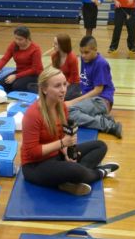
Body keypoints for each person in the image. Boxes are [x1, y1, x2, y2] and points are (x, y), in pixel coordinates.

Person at [21, 66, 119, 196]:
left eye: (64, 84)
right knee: (75, 170)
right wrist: (63, 143)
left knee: (100, 146)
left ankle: (68, 181)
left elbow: (61, 135)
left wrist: (66, 152)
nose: (63, 90)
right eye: (57, 86)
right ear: (44, 89)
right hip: (35, 166)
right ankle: (99, 173)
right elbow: (32, 152)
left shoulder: (62, 107)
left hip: (56, 156)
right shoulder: (32, 115)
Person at [66, 36, 122, 139]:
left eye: (86, 52)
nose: (83, 55)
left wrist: (73, 101)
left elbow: (98, 90)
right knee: (62, 103)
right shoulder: (85, 59)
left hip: (101, 100)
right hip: (89, 98)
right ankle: (101, 117)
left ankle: (109, 126)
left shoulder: (101, 63)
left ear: (95, 49)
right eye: (81, 52)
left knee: (68, 112)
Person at [0, 26, 43, 93]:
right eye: (16, 38)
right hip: (19, 71)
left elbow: (34, 70)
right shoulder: (14, 45)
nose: (17, 41)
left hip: (34, 75)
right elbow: (5, 59)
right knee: (1, 85)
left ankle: (36, 85)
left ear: (27, 38)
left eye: (20, 39)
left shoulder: (35, 49)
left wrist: (16, 76)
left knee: (16, 86)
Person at [51, 33, 81, 100]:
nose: (53, 45)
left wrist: (61, 87)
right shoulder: (54, 56)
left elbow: (73, 78)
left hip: (73, 83)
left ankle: (77, 94)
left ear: (62, 45)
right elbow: (54, 72)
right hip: (60, 81)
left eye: (56, 44)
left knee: (62, 97)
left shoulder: (72, 58)